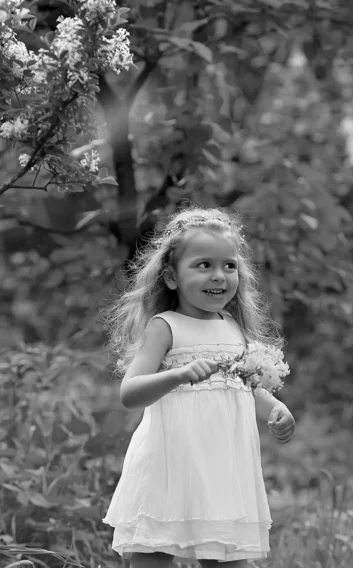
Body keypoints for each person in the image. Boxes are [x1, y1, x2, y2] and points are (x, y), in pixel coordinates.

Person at [102, 206, 296, 568]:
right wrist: (177, 375)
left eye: (229, 265)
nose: (219, 275)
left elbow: (244, 386)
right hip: (169, 463)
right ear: (172, 277)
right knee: (152, 552)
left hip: (220, 466)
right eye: (203, 265)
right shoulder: (166, 326)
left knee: (224, 555)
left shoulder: (233, 329)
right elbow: (130, 392)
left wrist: (276, 408)